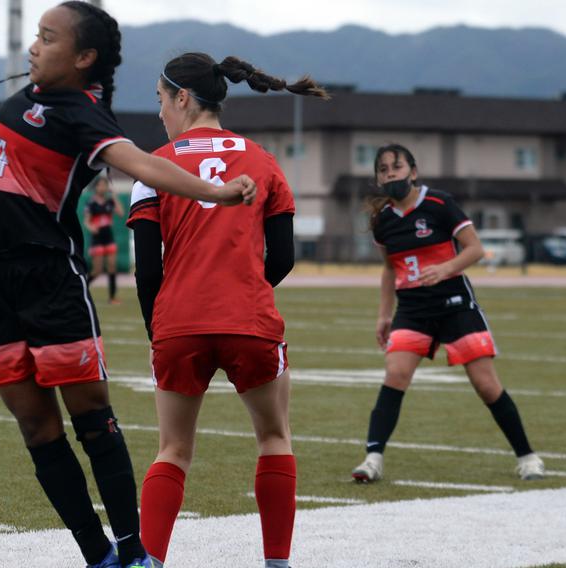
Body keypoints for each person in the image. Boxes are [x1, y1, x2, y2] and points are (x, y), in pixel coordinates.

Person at [0, 4, 256, 568]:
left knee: (91, 419)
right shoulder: (32, 97)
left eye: (48, 39)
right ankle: (98, 556)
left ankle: (135, 552)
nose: (34, 47)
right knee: (35, 425)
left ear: (83, 59)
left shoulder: (83, 114)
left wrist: (216, 192)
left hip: (49, 279)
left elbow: (144, 166)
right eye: (36, 36)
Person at [127, 52, 329, 568]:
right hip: (250, 322)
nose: (159, 113)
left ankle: (151, 561)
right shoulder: (262, 160)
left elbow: (147, 271)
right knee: (274, 437)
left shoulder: (153, 165)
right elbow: (282, 256)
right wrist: (244, 292)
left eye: (159, 100)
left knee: (172, 450)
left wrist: (161, 325)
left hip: (180, 323)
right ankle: (277, 563)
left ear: (182, 98)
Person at [350, 143, 545, 483]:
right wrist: (384, 314)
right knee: (395, 375)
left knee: (486, 385)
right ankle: (373, 458)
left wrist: (444, 269)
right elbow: (388, 269)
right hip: (412, 309)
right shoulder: (382, 221)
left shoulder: (439, 203)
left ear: (413, 171)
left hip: (455, 305)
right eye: (383, 169)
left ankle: (528, 457)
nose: (390, 173)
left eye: (397, 166)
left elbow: (476, 249)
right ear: (378, 179)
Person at [85, 176, 125, 304]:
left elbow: (121, 213)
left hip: (109, 237)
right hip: (97, 238)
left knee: (112, 267)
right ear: (96, 187)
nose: (103, 188)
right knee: (97, 271)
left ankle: (112, 297)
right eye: (100, 185)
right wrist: (92, 227)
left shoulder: (109, 201)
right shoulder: (91, 203)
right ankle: (82, 289)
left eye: (104, 185)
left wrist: (114, 196)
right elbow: (86, 221)